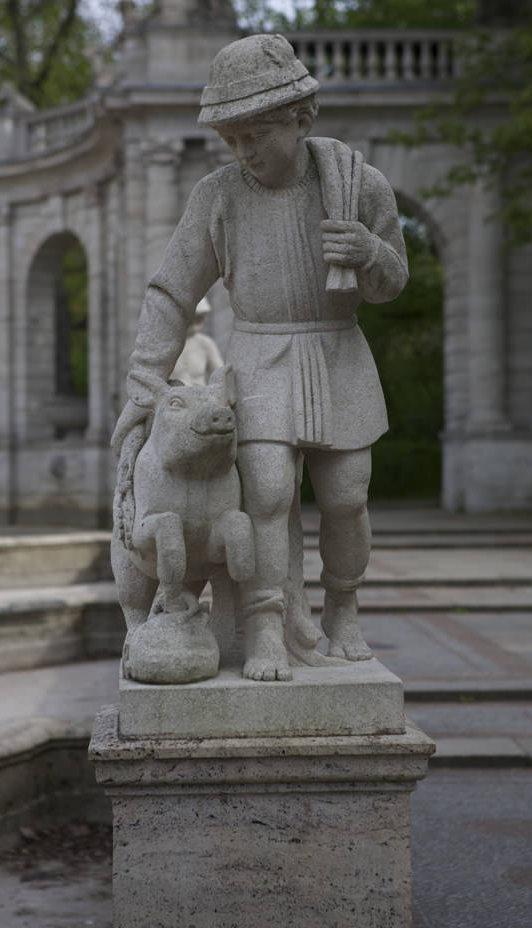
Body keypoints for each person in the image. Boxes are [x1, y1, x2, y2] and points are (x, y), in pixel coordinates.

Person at [112, 34, 408, 682]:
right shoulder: (219, 196)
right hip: (260, 354)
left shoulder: (357, 184)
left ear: (301, 117)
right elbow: (171, 289)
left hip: (334, 351)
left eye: (258, 133)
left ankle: (342, 609)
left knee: (345, 498)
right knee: (268, 492)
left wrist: (365, 253)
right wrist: (144, 375)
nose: (244, 151)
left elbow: (390, 283)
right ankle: (267, 626)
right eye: (232, 138)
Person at [170, 297, 224, 386]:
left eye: (198, 320)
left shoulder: (205, 343)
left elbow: (220, 375)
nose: (194, 326)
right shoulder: (167, 344)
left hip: (200, 396)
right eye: (191, 320)